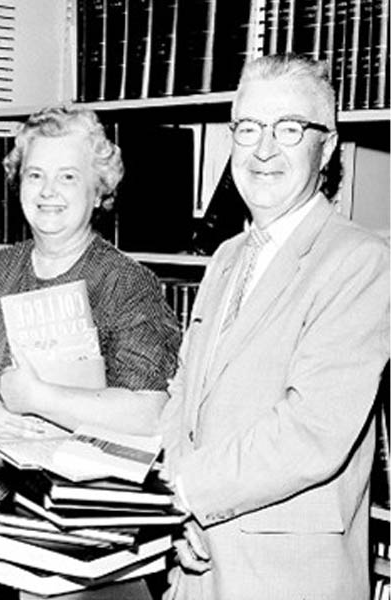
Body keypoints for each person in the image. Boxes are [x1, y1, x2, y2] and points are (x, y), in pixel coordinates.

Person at [159, 54, 390, 600]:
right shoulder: (225, 257)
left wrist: (184, 490)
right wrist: (172, 512)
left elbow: (312, 430)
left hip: (290, 579)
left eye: (288, 129)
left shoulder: (360, 260)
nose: (263, 150)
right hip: (196, 561)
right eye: (248, 128)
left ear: (326, 146)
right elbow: (183, 396)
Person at [0, 105, 182, 598]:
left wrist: (37, 396)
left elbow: (151, 414)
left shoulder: (126, 284)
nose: (48, 191)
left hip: (73, 525)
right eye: (35, 175)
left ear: (100, 190)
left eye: (68, 176)